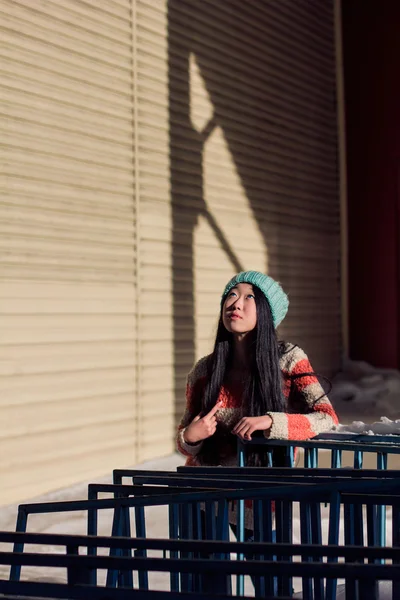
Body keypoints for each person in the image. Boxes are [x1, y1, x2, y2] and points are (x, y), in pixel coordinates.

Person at [176, 270, 339, 592]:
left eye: (250, 297)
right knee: (206, 587)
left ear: (267, 311)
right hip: (205, 493)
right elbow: (185, 437)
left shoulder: (288, 359)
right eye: (231, 295)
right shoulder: (204, 370)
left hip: (262, 493)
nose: (236, 303)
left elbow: (327, 418)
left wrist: (271, 421)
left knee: (271, 585)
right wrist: (190, 436)